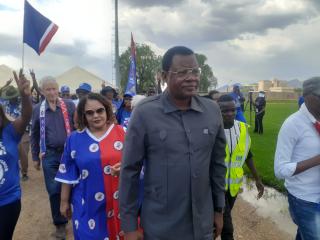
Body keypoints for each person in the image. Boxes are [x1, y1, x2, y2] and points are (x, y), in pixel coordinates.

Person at [119, 46, 226, 240]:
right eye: (182, 72)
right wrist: (129, 226)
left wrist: (219, 209)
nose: (191, 77)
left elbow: (217, 165)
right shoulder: (145, 113)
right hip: (161, 226)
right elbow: (129, 171)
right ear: (164, 75)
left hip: (202, 224)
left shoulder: (212, 111)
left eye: (195, 71)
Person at [55, 93, 125, 240]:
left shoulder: (123, 133)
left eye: (100, 111)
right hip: (86, 204)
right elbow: (67, 173)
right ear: (83, 115)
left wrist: (124, 167)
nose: (96, 116)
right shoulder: (74, 139)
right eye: (90, 112)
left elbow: (138, 164)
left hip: (119, 204)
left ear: (107, 110)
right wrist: (63, 202)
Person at [274, 77, 320, 240]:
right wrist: (316, 160)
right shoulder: (292, 124)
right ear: (308, 96)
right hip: (304, 199)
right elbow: (280, 170)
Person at [31, 76, 75, 239]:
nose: (51, 92)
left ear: (58, 89)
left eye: (54, 88)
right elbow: (34, 133)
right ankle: (60, 224)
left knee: (73, 185)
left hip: (69, 153)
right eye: (48, 89)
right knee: (54, 189)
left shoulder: (69, 105)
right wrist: (35, 156)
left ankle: (72, 213)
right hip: (48, 154)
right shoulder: (38, 109)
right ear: (42, 91)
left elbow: (78, 125)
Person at [217, 95, 264, 240]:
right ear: (217, 111)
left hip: (234, 186)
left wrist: (257, 179)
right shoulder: (212, 129)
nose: (230, 113)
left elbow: (247, 155)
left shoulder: (242, 129)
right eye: (224, 110)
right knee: (227, 228)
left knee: (222, 220)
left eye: (233, 110)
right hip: (216, 186)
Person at [0, 69, 32, 239]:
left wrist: (25, 96)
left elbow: (26, 117)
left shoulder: (10, 132)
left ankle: (25, 171)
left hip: (7, 202)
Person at [0, 85, 31, 181]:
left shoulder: (22, 102)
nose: (12, 99)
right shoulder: (3, 103)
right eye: (10, 97)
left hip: (23, 130)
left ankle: (24, 172)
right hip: (8, 131)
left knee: (23, 152)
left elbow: (27, 113)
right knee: (8, 152)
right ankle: (9, 172)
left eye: (13, 97)